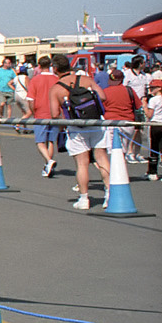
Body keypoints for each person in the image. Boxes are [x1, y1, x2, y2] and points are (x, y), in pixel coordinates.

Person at [48, 53, 107, 210]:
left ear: (55, 69)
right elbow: (103, 96)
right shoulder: (86, 79)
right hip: (96, 123)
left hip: (76, 127)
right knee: (101, 159)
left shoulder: (56, 89)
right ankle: (110, 195)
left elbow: (54, 115)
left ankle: (84, 198)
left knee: (82, 164)